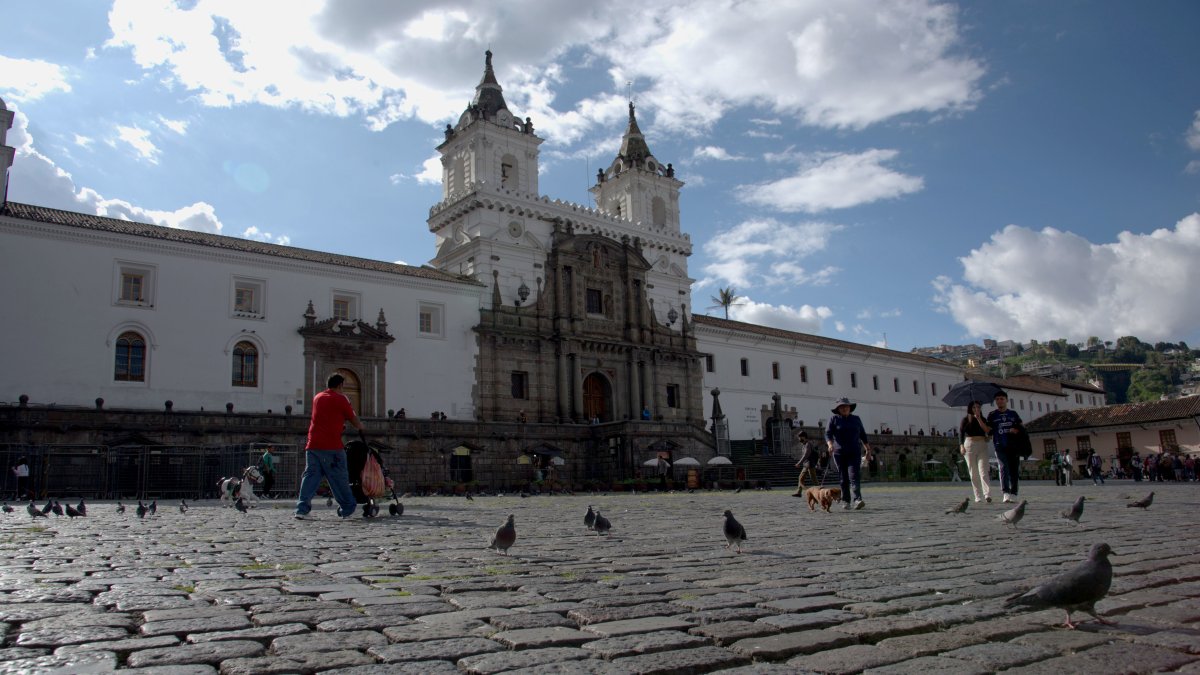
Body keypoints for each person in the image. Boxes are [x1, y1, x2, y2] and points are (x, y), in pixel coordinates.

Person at [295, 373, 366, 520]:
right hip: (331, 446)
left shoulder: (317, 397)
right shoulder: (340, 399)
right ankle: (348, 508)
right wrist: (360, 426)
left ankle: (302, 510)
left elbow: (327, 418)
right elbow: (353, 418)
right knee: (339, 478)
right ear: (340, 385)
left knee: (310, 477)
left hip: (313, 444)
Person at [825, 397, 872, 510]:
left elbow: (863, 435)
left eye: (846, 406)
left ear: (850, 408)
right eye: (842, 407)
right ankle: (846, 500)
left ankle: (857, 500)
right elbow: (828, 434)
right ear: (838, 409)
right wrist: (830, 445)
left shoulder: (856, 419)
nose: (845, 408)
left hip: (854, 452)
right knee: (843, 478)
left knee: (854, 475)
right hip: (839, 452)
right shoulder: (834, 419)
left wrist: (868, 450)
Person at [986, 391, 1024, 503]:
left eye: (1002, 399)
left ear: (1006, 400)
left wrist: (1016, 430)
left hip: (1013, 446)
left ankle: (1014, 493)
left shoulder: (1013, 414)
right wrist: (978, 418)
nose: (999, 401)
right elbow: (988, 431)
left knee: (1014, 471)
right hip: (999, 446)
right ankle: (1006, 493)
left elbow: (1022, 427)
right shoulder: (992, 415)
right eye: (997, 399)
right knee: (1003, 468)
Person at [958, 401, 992, 503]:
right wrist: (961, 446)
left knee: (983, 471)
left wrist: (988, 437)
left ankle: (987, 494)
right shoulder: (965, 420)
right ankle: (977, 495)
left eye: (978, 407)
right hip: (969, 444)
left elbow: (988, 431)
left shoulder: (983, 419)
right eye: (974, 407)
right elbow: (961, 433)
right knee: (973, 473)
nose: (976, 409)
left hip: (982, 444)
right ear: (970, 409)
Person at [792, 431, 818, 495]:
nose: (799, 439)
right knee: (800, 478)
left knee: (814, 480)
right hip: (806, 465)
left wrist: (799, 463)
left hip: (810, 465)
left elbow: (806, 455)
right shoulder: (804, 445)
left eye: (800, 437)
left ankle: (820, 491)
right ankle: (799, 492)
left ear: (803, 437)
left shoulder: (808, 444)